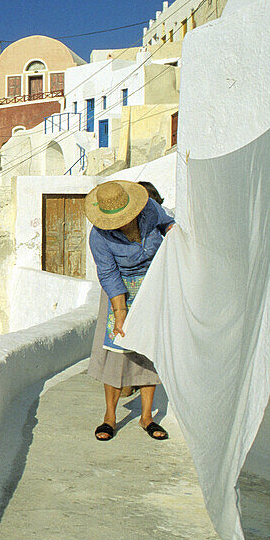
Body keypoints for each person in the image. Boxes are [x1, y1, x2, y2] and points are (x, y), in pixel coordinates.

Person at [85, 180, 174, 441]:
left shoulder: (149, 209)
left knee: (148, 350)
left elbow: (167, 223)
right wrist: (120, 313)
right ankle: (109, 418)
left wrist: (175, 237)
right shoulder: (98, 236)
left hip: (153, 285)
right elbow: (108, 273)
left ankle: (147, 418)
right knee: (117, 352)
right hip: (119, 291)